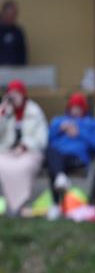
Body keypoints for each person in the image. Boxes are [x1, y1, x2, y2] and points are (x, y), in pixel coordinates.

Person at [46, 92, 95, 217]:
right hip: (57, 156)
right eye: (73, 107)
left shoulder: (93, 124)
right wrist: (58, 129)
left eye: (78, 107)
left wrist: (79, 133)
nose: (75, 110)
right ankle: (60, 178)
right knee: (51, 153)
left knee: (54, 165)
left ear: (84, 108)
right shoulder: (59, 121)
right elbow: (47, 138)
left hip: (77, 158)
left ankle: (56, 204)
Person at [0, 79, 47, 216]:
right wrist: (3, 113)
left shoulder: (34, 111)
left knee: (22, 168)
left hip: (29, 152)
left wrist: (25, 145)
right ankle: (9, 203)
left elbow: (42, 137)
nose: (14, 97)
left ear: (23, 95)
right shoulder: (5, 110)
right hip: (7, 151)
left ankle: (18, 204)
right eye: (11, 94)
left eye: (17, 93)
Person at [0, 0, 26, 65]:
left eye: (14, 14)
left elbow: (22, 54)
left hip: (14, 72)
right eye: (10, 14)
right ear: (4, 13)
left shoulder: (18, 32)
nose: (12, 17)